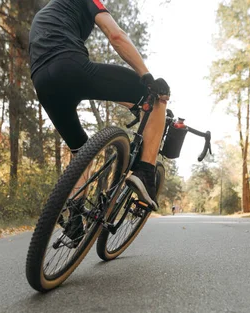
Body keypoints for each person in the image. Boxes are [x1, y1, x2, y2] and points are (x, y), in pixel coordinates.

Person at [29, 0, 170, 212]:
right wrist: (147, 77)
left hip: (42, 83)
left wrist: (133, 104)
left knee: (81, 150)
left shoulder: (50, 10)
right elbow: (116, 35)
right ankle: (145, 173)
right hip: (70, 66)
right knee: (157, 98)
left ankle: (75, 216)